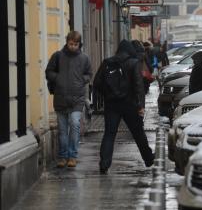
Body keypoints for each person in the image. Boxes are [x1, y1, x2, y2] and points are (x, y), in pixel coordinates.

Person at [93, 40, 154, 174]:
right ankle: (149, 159)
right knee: (138, 133)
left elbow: (97, 82)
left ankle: (104, 164)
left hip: (111, 105)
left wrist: (107, 94)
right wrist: (140, 106)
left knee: (109, 134)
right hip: (130, 105)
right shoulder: (133, 63)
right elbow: (139, 86)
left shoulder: (107, 62)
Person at [45, 31, 92, 168]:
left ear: (79, 44)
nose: (73, 47)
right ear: (67, 42)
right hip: (61, 97)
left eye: (75, 44)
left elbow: (89, 73)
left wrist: (81, 80)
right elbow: (49, 72)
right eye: (70, 44)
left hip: (77, 98)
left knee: (75, 124)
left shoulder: (84, 58)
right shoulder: (58, 56)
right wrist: (58, 79)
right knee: (63, 130)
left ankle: (72, 156)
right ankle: (62, 156)